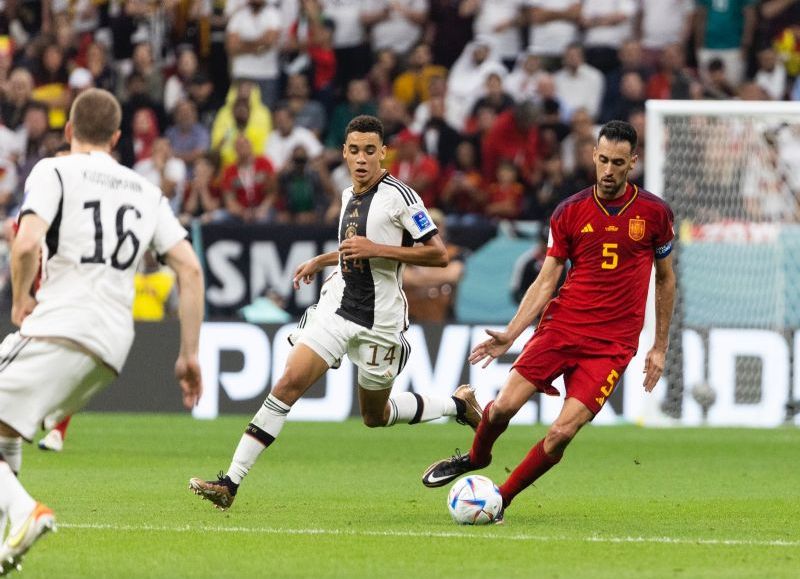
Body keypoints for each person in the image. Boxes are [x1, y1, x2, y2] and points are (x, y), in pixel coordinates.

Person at [189, 115, 482, 510]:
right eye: (354, 151)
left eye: (370, 151)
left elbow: (438, 253)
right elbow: (354, 248)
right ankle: (230, 483)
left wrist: (377, 250)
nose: (362, 159)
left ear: (383, 153)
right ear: (344, 153)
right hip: (340, 307)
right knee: (288, 383)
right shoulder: (347, 196)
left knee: (375, 416)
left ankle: (457, 405)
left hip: (381, 320)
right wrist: (321, 260)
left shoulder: (402, 197)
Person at [420, 120, 676, 524]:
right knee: (502, 408)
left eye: (618, 163)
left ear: (633, 163)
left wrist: (659, 346)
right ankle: (475, 456)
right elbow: (546, 280)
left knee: (561, 434)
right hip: (562, 327)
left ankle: (500, 500)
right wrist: (511, 333)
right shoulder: (570, 212)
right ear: (593, 156)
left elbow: (665, 279)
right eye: (603, 160)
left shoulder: (655, 213)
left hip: (612, 346)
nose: (608, 171)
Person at [0, 88, 204, 572]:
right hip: (114, 345)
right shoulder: (145, 191)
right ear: (116, 138)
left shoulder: (54, 169)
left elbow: (26, 242)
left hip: (61, 323)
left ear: (69, 131)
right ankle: (11, 529)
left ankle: (24, 511)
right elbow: (190, 270)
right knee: (5, 426)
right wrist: (188, 354)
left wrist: (21, 296)